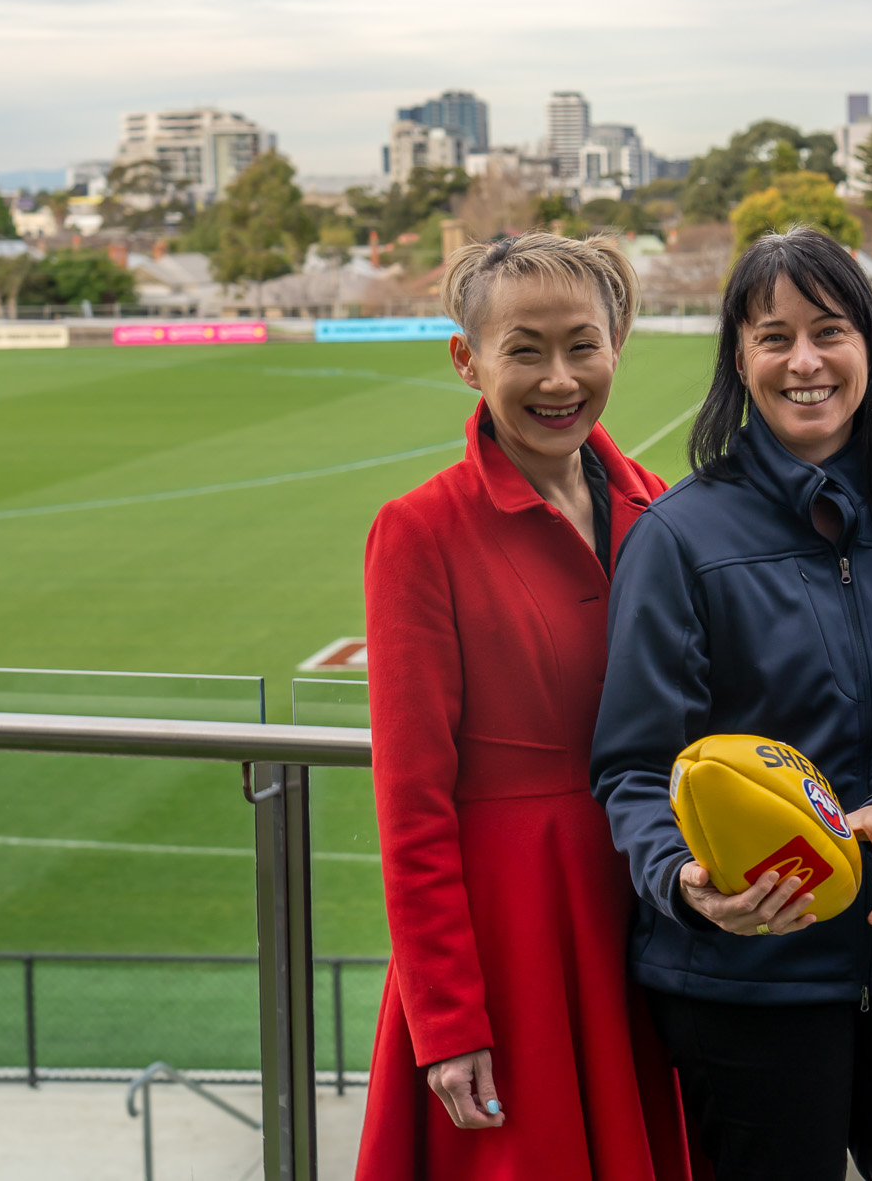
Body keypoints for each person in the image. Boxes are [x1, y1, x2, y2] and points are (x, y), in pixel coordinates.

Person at [590, 226, 872, 1181]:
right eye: (773, 336)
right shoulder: (679, 536)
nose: (805, 360)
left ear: (870, 342)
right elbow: (631, 764)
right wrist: (686, 883)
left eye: (829, 329)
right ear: (739, 359)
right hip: (744, 985)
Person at [355, 234, 692, 1181]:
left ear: (617, 344)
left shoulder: (660, 508)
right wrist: (448, 1020)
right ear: (469, 360)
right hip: (514, 942)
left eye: (583, 345)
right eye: (525, 349)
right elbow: (411, 803)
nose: (559, 379)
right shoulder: (418, 530)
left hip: (657, 906)